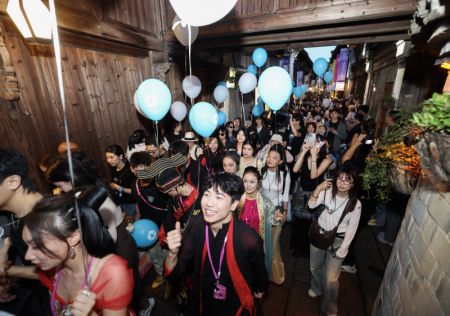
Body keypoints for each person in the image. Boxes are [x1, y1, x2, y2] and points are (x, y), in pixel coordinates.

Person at [164, 173, 268, 315]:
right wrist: (172, 253)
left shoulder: (248, 238)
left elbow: (259, 274)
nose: (208, 203)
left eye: (219, 197)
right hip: (202, 298)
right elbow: (173, 275)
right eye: (207, 195)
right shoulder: (196, 224)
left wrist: (259, 290)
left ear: (234, 204)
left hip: (234, 302)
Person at [23, 193, 133, 316]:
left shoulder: (112, 273)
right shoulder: (52, 267)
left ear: (73, 237)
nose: (27, 256)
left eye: (37, 245)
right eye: (27, 246)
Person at [0, 149, 50, 316]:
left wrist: (6, 270)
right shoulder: (17, 214)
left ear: (13, 182)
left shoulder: (42, 219)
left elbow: (53, 273)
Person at [307, 164, 361, 316]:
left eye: (347, 180)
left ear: (353, 183)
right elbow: (311, 205)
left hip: (338, 241)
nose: (342, 183)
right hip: (319, 234)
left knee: (331, 278)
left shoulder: (355, 204)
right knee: (314, 266)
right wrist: (318, 189)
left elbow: (352, 228)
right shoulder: (327, 192)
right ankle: (317, 288)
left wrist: (344, 248)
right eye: (339, 179)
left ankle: (330, 306)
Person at [238, 167, 282, 276]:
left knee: (255, 273)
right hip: (239, 245)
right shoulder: (237, 201)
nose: (247, 185)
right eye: (245, 181)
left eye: (252, 182)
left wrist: (275, 220)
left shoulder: (266, 203)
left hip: (257, 246)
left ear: (259, 183)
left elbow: (268, 224)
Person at [105, 145, 136, 218]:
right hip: (120, 202)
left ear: (121, 156)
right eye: (107, 158)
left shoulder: (130, 170)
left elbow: (135, 191)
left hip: (131, 203)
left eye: (111, 157)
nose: (108, 160)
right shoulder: (113, 169)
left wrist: (119, 188)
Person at [260, 145, 290, 218]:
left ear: (280, 161)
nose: (270, 159)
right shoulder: (262, 171)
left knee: (274, 228)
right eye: (269, 156)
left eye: (274, 158)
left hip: (276, 209)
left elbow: (286, 194)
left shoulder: (285, 174)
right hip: (261, 207)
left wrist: (285, 212)